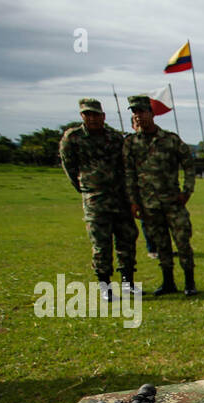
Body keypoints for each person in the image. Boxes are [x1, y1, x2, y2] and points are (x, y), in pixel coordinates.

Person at [59, 98, 137, 299]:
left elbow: (126, 165)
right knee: (101, 244)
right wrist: (87, 189)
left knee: (127, 240)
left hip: (120, 198)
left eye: (95, 114)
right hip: (95, 200)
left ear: (103, 116)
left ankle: (128, 283)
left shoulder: (114, 137)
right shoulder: (73, 138)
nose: (92, 118)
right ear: (82, 116)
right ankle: (105, 286)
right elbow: (70, 168)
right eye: (88, 114)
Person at [124, 95, 196, 295]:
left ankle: (190, 283)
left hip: (173, 202)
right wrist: (133, 202)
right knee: (161, 244)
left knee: (182, 241)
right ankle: (168, 283)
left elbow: (189, 166)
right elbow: (129, 174)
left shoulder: (170, 139)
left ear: (151, 113)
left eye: (142, 111)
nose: (138, 116)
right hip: (149, 205)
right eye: (134, 112)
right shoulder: (130, 143)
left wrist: (187, 191)